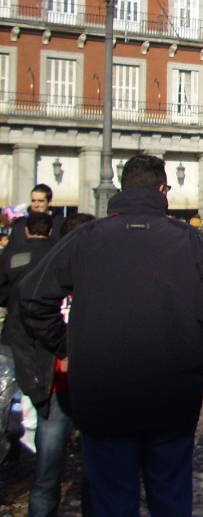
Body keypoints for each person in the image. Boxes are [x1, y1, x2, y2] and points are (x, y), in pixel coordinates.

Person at [19, 155, 203, 516]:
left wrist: (66, 344)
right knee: (169, 499)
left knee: (113, 501)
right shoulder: (192, 241)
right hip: (171, 391)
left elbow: (33, 296)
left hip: (104, 393)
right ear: (163, 189)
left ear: (122, 187)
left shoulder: (86, 238)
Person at [0, 211, 60, 516]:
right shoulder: (58, 256)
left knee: (13, 395)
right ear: (50, 230)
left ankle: (15, 441)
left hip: (17, 336)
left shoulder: (12, 256)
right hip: (52, 349)